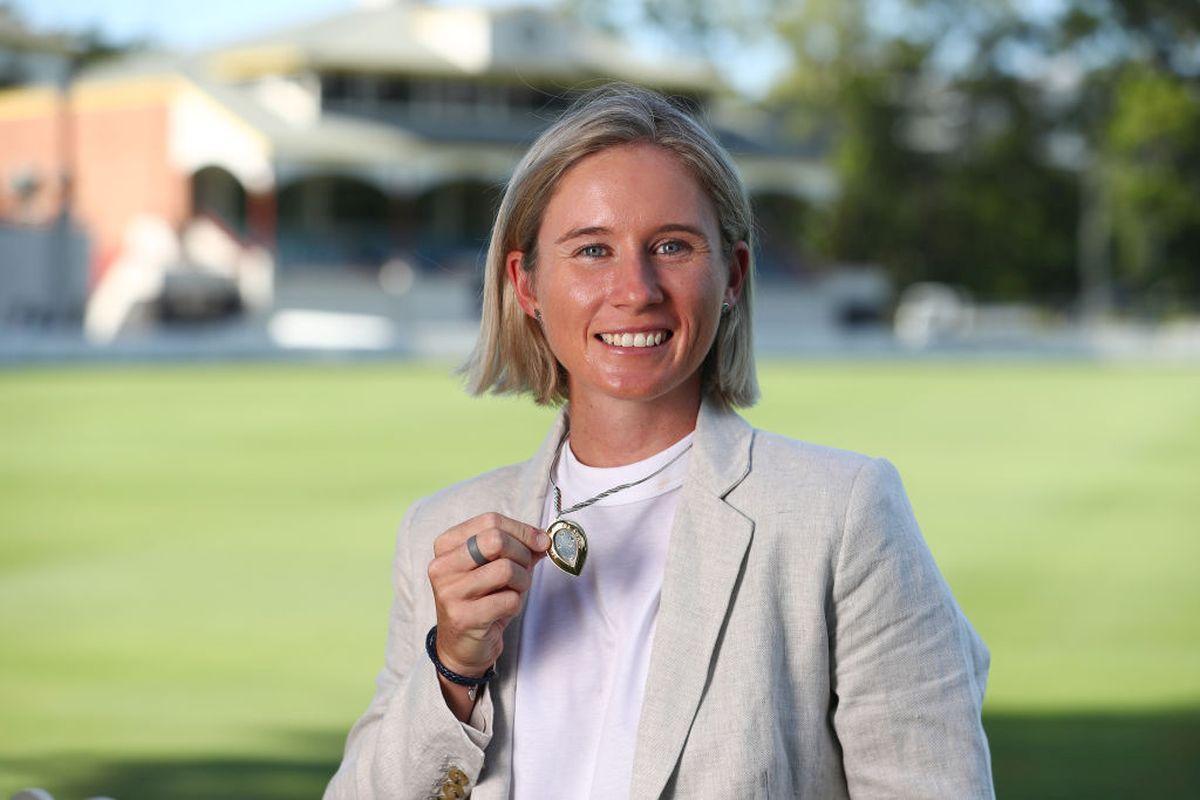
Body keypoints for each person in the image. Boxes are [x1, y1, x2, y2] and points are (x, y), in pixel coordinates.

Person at [325, 84, 994, 800]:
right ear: (526, 285)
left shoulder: (839, 516)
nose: (635, 288)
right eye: (591, 250)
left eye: (672, 246)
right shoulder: (443, 535)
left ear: (732, 276)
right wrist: (453, 671)